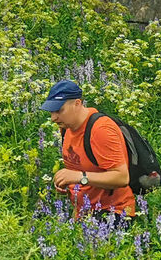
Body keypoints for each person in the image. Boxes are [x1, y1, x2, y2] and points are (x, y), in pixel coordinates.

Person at [43, 80, 133, 217]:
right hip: (83, 212)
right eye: (51, 112)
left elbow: (122, 178)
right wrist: (67, 183)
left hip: (112, 213)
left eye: (59, 110)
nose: (53, 118)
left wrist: (80, 177)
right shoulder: (66, 128)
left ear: (77, 103)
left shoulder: (101, 130)